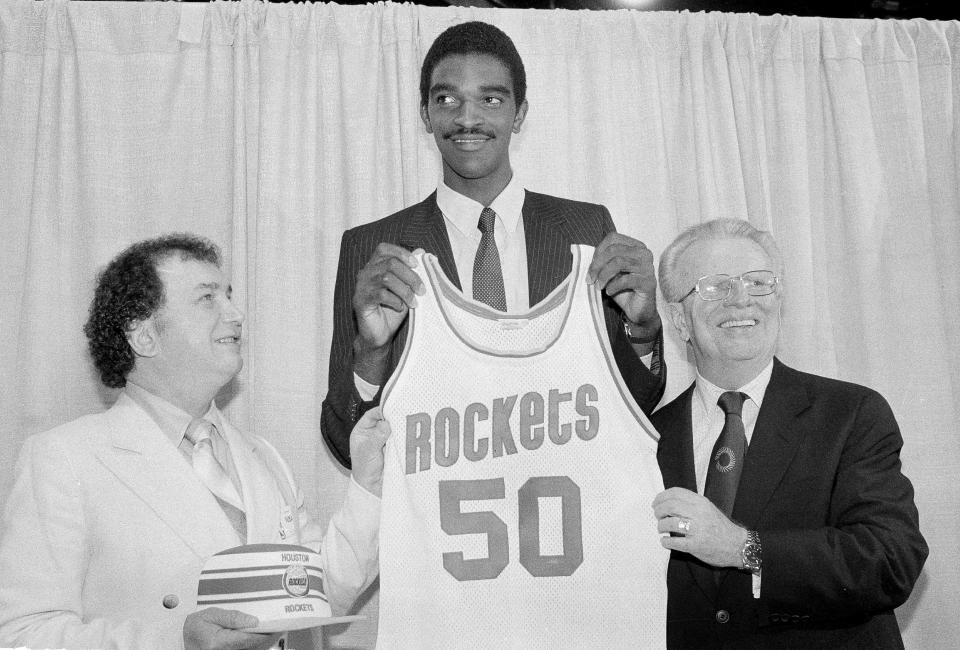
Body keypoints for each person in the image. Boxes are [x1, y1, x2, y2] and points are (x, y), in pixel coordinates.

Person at [0, 234, 388, 650]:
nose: (236, 315)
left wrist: (367, 483)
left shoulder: (264, 457)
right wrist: (176, 641)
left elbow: (317, 594)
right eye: (207, 299)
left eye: (229, 296)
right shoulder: (64, 459)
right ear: (143, 335)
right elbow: (23, 635)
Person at [321, 20, 665, 468]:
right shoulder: (373, 250)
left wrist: (641, 330)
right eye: (447, 99)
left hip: (562, 510)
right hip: (436, 525)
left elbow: (632, 408)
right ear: (425, 113)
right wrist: (371, 352)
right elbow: (344, 442)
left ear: (519, 113)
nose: (467, 119)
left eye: (491, 99)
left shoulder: (586, 230)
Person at [651, 219, 927, 648]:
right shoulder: (646, 434)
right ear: (678, 319)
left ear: (778, 301)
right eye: (714, 287)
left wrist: (746, 548)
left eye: (759, 283)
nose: (740, 299)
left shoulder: (851, 414)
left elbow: (891, 560)